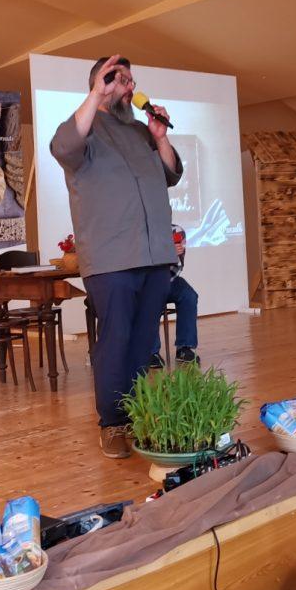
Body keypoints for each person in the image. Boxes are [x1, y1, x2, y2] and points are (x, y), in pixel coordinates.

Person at [51, 54, 182, 459]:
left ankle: (137, 415)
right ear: (100, 83)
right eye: (119, 79)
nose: (129, 86)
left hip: (154, 256)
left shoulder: (141, 132)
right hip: (111, 259)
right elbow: (63, 146)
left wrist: (160, 137)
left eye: (130, 80)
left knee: (144, 344)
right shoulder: (85, 129)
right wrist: (96, 94)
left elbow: (172, 174)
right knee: (116, 340)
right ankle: (111, 423)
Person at [149, 224, 200, 368]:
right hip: (148, 282)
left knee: (189, 296)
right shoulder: (142, 230)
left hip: (169, 278)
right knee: (151, 299)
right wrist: (167, 253)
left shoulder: (177, 231)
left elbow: (178, 267)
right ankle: (151, 352)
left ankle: (184, 348)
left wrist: (171, 256)